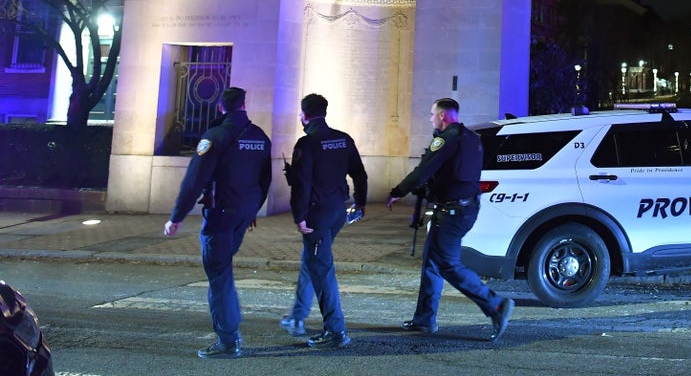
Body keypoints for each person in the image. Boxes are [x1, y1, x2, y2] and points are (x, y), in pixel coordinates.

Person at [386, 98, 514, 341]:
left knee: (447, 264)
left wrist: (397, 192)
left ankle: (496, 304)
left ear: (442, 115)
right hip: (465, 208)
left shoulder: (446, 139)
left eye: (432, 114)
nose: (430, 118)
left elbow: (423, 171)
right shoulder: (472, 138)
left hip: (452, 212)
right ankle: (424, 320)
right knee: (431, 263)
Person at [164, 86, 271, 360]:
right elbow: (265, 179)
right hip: (243, 214)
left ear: (221, 107)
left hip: (221, 215)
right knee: (223, 270)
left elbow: (193, 182)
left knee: (219, 275)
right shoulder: (260, 136)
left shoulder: (214, 137)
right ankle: (230, 328)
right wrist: (252, 211)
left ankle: (228, 340)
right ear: (244, 105)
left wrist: (176, 217)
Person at [285, 93, 367, 349]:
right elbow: (360, 174)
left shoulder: (307, 143)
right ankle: (297, 316)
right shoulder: (343, 139)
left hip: (317, 214)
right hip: (337, 212)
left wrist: (299, 216)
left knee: (322, 268)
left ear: (304, 115)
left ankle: (335, 331)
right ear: (325, 112)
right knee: (313, 259)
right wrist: (360, 202)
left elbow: (301, 184)